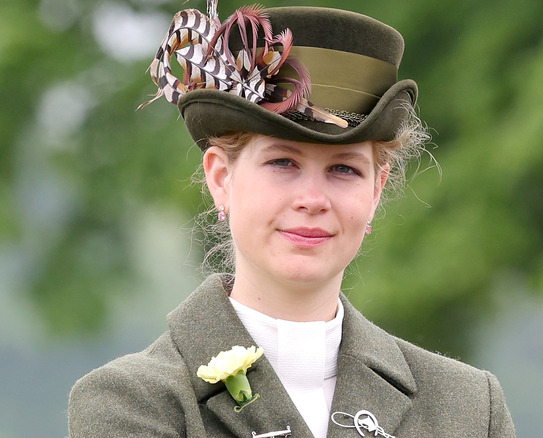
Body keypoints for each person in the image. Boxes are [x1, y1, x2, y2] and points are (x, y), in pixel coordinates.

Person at [68, 2, 516, 437]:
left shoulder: (470, 408)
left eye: (344, 169)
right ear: (221, 178)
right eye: (283, 162)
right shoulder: (131, 403)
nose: (313, 199)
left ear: (376, 191)